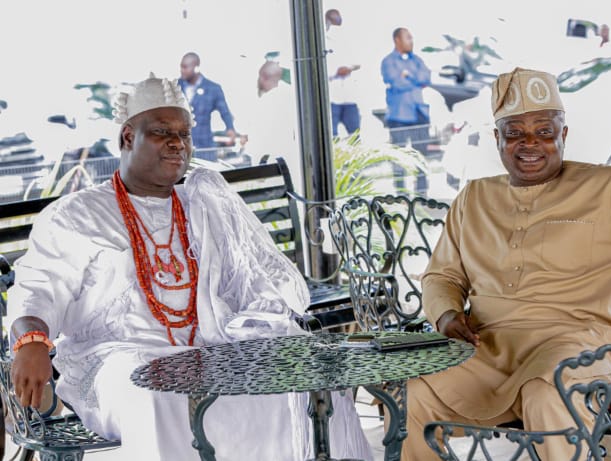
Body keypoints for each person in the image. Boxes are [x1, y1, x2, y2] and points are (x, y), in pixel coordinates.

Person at [8, 73, 373, 461]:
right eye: (162, 132)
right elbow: (37, 290)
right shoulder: (76, 215)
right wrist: (32, 341)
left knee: (311, 374)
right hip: (118, 357)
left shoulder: (204, 204)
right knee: (156, 392)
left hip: (212, 349)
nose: (177, 143)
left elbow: (249, 284)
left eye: (184, 134)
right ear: (128, 137)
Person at [401, 67, 611, 460]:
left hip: (580, 344)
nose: (529, 143)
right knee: (411, 391)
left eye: (544, 131)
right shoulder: (473, 198)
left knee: (547, 392)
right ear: (497, 139)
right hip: (489, 351)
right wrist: (447, 315)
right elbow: (442, 275)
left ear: (563, 135)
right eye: (514, 133)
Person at [381, 27, 432, 195]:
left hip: (419, 114)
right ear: (397, 40)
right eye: (408, 37)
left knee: (421, 156)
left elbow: (426, 78)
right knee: (399, 157)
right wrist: (414, 81)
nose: (411, 41)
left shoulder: (417, 60)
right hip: (399, 116)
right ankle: (401, 193)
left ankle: (422, 193)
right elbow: (396, 83)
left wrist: (407, 75)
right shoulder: (388, 61)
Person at [178, 52, 238, 161]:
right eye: (181, 67)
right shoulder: (176, 87)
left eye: (185, 67)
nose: (182, 70)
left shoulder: (213, 88)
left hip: (204, 146)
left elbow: (225, 112)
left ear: (196, 68)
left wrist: (230, 128)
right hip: (181, 145)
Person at [325, 8, 362, 138]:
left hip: (349, 98)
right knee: (331, 136)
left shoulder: (348, 40)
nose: (337, 21)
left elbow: (358, 61)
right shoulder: (323, 41)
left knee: (354, 136)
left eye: (338, 18)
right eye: (333, 18)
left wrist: (349, 68)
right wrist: (336, 71)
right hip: (332, 98)